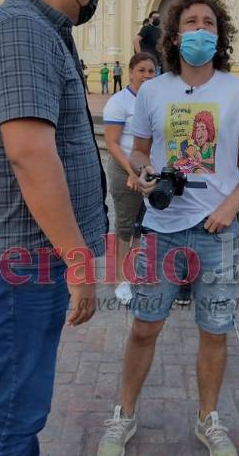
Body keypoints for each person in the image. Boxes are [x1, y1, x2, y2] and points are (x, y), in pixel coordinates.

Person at [97, 0, 239, 456]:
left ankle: (207, 420)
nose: (201, 30)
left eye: (210, 23)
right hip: (162, 228)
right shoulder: (153, 90)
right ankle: (125, 414)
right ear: (174, 35)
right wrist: (140, 172)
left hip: (216, 233)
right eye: (191, 23)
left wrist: (230, 205)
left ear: (221, 35)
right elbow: (137, 149)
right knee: (143, 326)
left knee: (214, 331)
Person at [0, 0, 108, 455]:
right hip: (22, 260)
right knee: (16, 415)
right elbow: (29, 154)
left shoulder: (41, 30)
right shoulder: (22, 29)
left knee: (23, 408)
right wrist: (78, 260)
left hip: (28, 258)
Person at [103, 52, 156, 304]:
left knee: (141, 225)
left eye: (151, 71)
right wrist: (132, 172)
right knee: (125, 226)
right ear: (131, 72)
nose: (146, 75)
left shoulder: (156, 100)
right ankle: (119, 278)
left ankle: (133, 271)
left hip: (147, 171)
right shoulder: (119, 101)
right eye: (142, 70)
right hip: (124, 170)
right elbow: (112, 143)